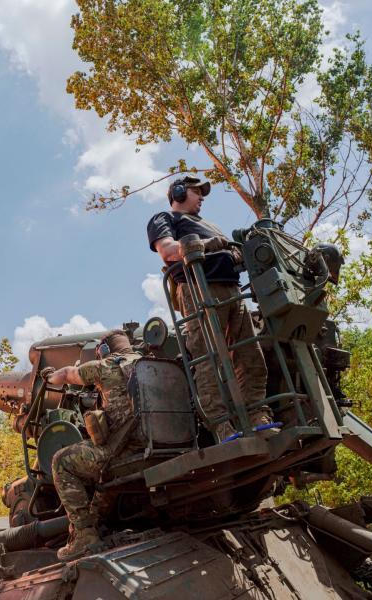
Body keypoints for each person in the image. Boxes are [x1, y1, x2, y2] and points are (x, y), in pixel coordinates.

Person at [146, 176, 270, 441]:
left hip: (232, 291)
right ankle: (223, 426)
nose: (202, 197)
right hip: (199, 290)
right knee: (209, 360)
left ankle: (257, 416)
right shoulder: (166, 219)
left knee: (251, 355)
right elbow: (168, 251)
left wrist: (237, 254)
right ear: (178, 193)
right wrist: (203, 245)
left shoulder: (210, 224)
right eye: (196, 192)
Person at [47, 330, 144, 561]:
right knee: (103, 476)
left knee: (62, 462)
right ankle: (101, 522)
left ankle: (84, 537)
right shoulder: (148, 362)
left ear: (106, 351)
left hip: (126, 449)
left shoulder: (107, 366)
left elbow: (69, 374)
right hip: (157, 446)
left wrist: (49, 376)